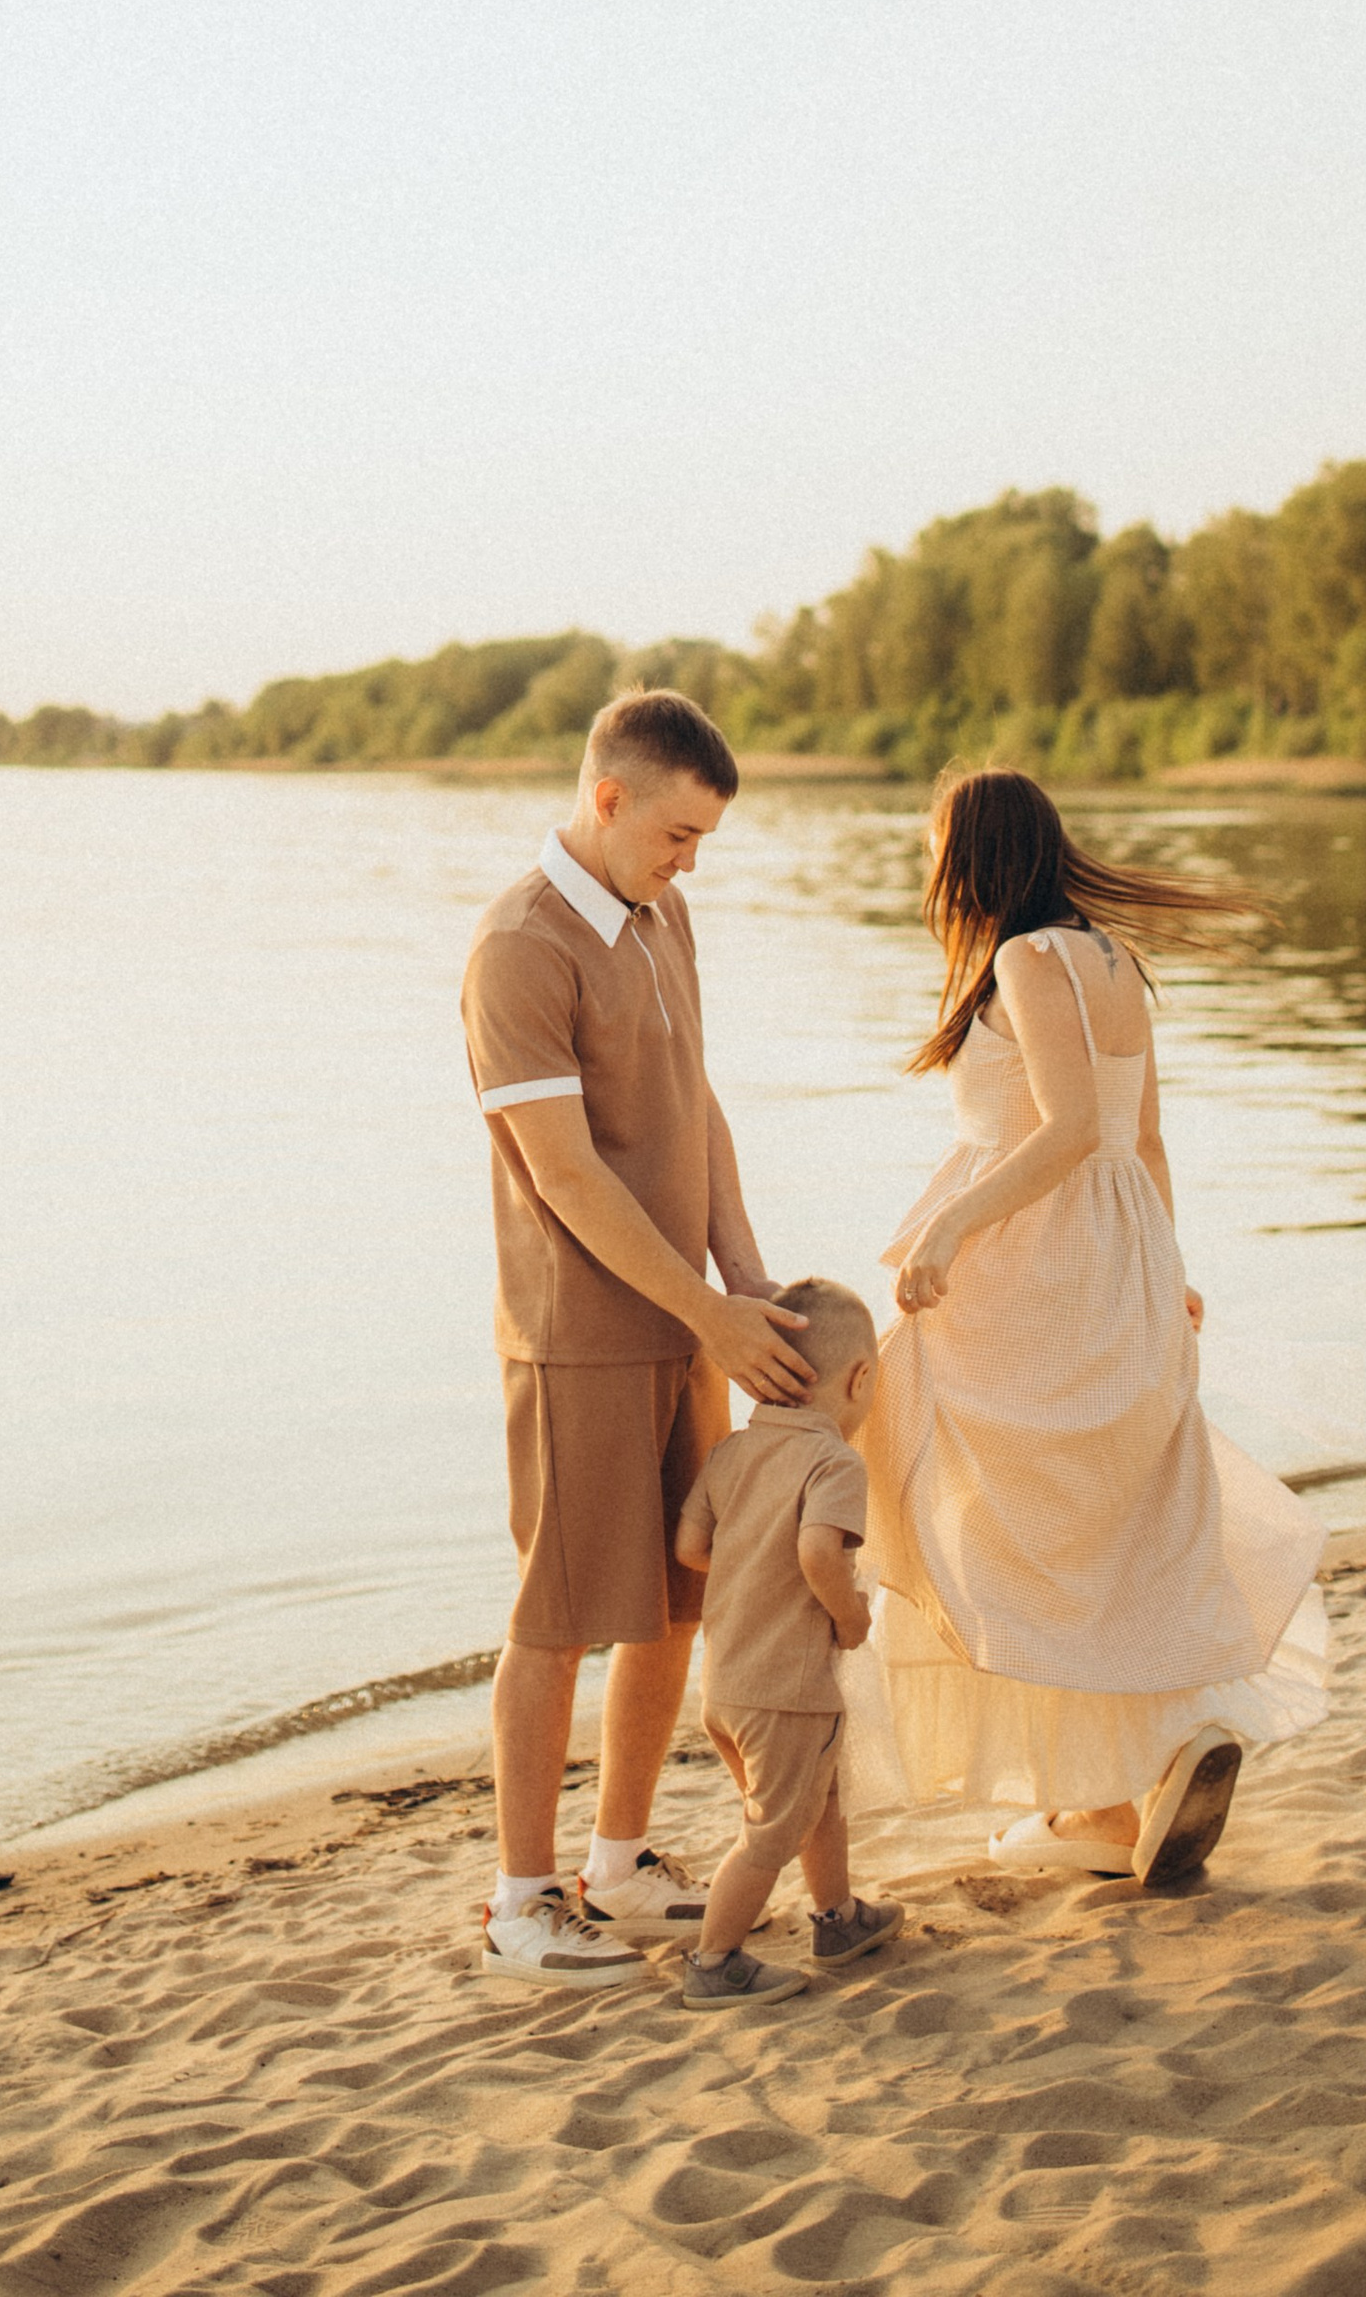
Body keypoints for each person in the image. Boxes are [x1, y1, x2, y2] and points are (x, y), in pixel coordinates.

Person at [858, 769, 1330, 1885]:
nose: (931, 873)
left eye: (937, 849)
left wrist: (947, 1230)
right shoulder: (1114, 959)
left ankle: (1105, 1803)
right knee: (1099, 1519)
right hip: (1116, 1252)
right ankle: (1131, 1779)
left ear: (971, 853)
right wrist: (1167, 1270)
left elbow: (1069, 1129)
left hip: (1037, 1259)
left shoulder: (1025, 960)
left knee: (991, 1515)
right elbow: (1143, 1137)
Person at [459, 686, 816, 1983]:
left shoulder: (665, 918)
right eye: (676, 832)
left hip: (684, 1328)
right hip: (576, 1338)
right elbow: (565, 1173)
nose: (690, 859)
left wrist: (747, 1286)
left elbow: (696, 1112)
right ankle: (519, 1900)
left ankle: (616, 1861)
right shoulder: (519, 948)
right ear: (606, 800)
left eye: (703, 840)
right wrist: (703, 1311)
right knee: (557, 1617)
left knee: (674, 1603)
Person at [671, 1275, 902, 2011]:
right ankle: (715, 1961)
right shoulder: (835, 1463)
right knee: (770, 1834)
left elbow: (691, 1548)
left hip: (725, 1689)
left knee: (815, 1800)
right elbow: (816, 1554)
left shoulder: (732, 1455)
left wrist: (751, 1571)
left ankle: (836, 1919)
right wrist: (850, 1617)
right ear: (860, 1378)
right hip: (789, 1691)